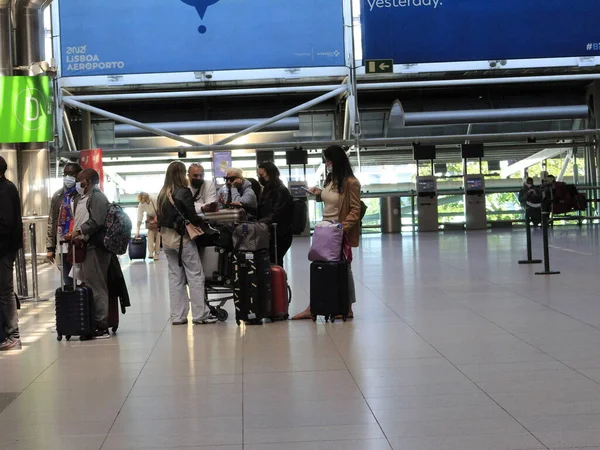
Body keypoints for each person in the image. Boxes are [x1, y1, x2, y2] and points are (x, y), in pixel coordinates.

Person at [292, 145, 361, 320]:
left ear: (336, 161)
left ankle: (347, 307)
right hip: (324, 228)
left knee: (344, 269)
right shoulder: (330, 179)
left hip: (337, 229)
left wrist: (341, 228)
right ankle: (314, 306)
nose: (327, 163)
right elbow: (331, 200)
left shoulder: (351, 183)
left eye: (329, 160)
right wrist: (319, 193)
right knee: (319, 266)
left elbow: (355, 209)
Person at [157, 161, 218, 325]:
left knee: (175, 278)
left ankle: (178, 316)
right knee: (195, 275)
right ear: (182, 174)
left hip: (167, 241)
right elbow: (192, 216)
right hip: (182, 240)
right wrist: (203, 224)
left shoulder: (162, 193)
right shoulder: (183, 191)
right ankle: (200, 315)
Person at [66, 168, 111, 340]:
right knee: (90, 284)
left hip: (95, 247)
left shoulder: (97, 197)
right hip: (86, 247)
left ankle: (102, 325)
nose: (77, 182)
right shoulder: (82, 197)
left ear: (88, 181)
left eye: (79, 179)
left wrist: (79, 231)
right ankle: (91, 322)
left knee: (97, 285)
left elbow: (97, 221)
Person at [47, 162, 83, 287]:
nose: (68, 177)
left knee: (82, 281)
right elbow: (52, 221)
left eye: (71, 174)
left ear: (79, 175)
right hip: (62, 245)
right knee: (68, 282)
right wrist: (50, 247)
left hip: (80, 245)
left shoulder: (83, 195)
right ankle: (73, 305)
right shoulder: (58, 196)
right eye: (65, 174)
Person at [0, 157, 23, 350]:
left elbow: (6, 223)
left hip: (4, 250)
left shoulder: (5, 190)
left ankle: (13, 334)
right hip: (4, 248)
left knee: (5, 291)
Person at [257, 161, 294, 267]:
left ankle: (279, 283)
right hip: (270, 231)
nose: (261, 178)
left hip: (279, 233)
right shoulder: (267, 190)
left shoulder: (280, 190)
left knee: (275, 261)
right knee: (271, 262)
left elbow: (276, 213)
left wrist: (259, 223)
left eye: (262, 175)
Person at [135, 192, 161, 260]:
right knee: (150, 232)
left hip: (159, 214)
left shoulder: (154, 198)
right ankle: (150, 252)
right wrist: (137, 231)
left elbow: (160, 209)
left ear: (146, 198)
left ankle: (157, 253)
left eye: (143, 200)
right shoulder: (141, 204)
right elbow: (139, 218)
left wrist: (156, 218)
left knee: (158, 233)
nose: (142, 202)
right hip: (150, 216)